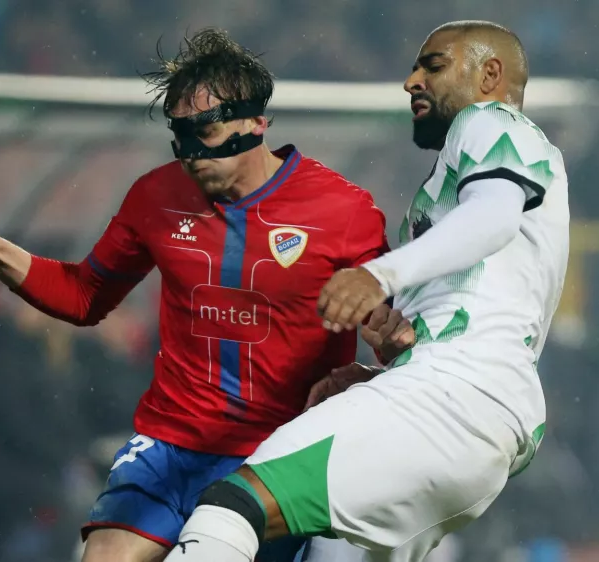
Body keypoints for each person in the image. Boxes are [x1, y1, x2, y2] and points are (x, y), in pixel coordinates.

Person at [0, 28, 389, 562]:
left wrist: (378, 366)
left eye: (206, 131)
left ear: (256, 123)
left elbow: (392, 327)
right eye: (180, 134)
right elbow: (84, 295)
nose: (192, 152)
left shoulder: (345, 211)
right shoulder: (156, 196)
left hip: (277, 457)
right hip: (171, 445)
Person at [163, 20, 569, 562]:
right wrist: (389, 365)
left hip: (453, 397)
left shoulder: (491, 121)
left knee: (232, 506)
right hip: (483, 423)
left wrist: (382, 275)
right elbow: (483, 298)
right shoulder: (467, 178)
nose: (411, 81)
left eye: (434, 65)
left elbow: (492, 217)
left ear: (490, 74)